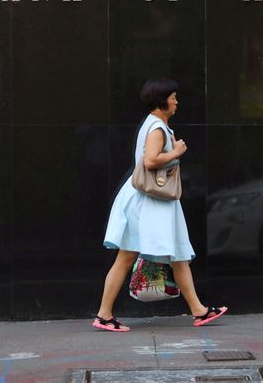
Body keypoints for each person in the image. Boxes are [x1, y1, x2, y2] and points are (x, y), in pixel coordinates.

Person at [94, 77, 227, 332]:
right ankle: (104, 314)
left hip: (154, 202)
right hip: (149, 203)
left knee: (177, 255)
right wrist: (176, 152)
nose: (177, 101)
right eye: (173, 97)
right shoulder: (156, 127)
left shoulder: (155, 125)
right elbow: (151, 161)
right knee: (129, 257)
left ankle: (199, 310)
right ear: (162, 100)